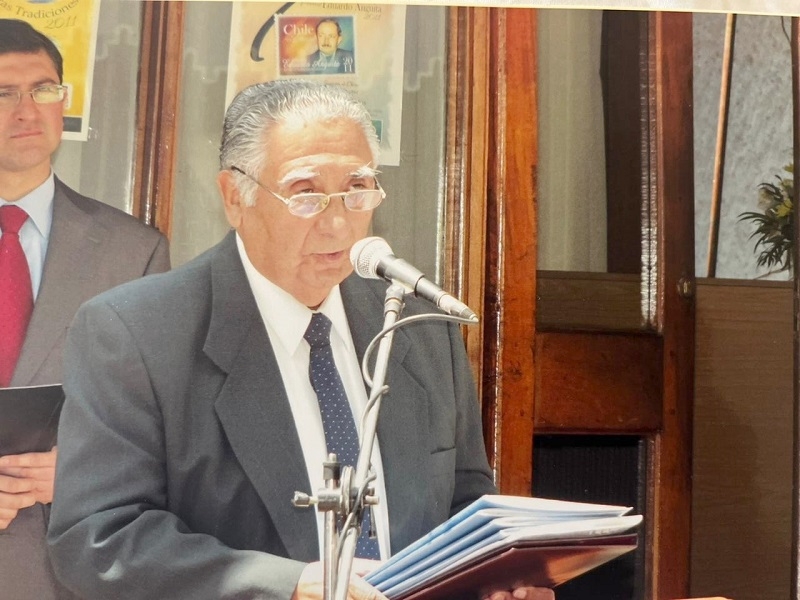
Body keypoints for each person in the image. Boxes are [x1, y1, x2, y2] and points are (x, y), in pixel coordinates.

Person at [47, 79, 552, 600]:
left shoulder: (414, 326)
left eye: (357, 188)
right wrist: (286, 585)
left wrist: (499, 579)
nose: (338, 224)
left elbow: (464, 504)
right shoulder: (135, 333)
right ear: (233, 197)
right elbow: (96, 539)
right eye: (306, 194)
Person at [0, 18, 170, 600]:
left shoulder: (133, 251)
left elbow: (161, 421)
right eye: (3, 92)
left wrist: (78, 471)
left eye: (44, 89)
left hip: (67, 569)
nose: (27, 109)